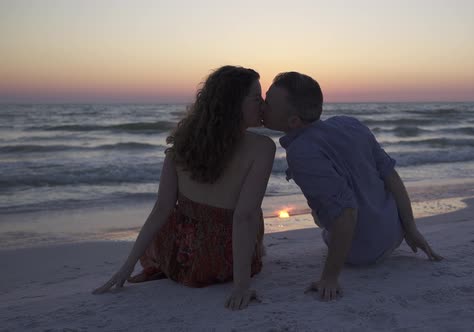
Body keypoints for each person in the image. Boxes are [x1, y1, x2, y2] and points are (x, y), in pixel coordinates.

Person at [93, 65, 276, 311]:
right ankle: (254, 251)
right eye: (256, 98)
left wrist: (128, 265)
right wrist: (241, 285)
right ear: (234, 103)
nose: (262, 105)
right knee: (252, 211)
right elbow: (244, 217)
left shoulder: (183, 143)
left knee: (183, 214)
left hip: (182, 260)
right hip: (224, 262)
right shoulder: (263, 147)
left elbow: (162, 208)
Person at [262, 72, 442, 301]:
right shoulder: (350, 124)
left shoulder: (301, 151)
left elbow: (346, 212)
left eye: (268, 103)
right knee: (359, 183)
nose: (262, 105)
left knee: (325, 209)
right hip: (394, 233)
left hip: (360, 252)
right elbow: (391, 177)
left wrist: (329, 277)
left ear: (294, 121)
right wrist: (411, 229)